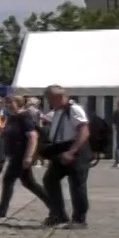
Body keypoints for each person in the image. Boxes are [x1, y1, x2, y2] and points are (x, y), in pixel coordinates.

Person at [0, 95, 46, 220]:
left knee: (18, 181)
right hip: (15, 156)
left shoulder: (24, 116)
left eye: (10, 102)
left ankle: (1, 210)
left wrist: (28, 156)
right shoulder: (12, 117)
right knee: (25, 183)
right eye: (6, 102)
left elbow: (32, 136)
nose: (8, 105)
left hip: (21, 155)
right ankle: (55, 207)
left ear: (19, 103)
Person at [40, 86, 90, 229]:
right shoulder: (57, 111)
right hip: (62, 148)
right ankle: (59, 215)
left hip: (76, 149)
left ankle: (79, 220)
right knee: (49, 180)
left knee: (77, 184)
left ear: (57, 97)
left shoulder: (74, 109)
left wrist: (72, 152)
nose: (49, 102)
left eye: (50, 99)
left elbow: (84, 132)